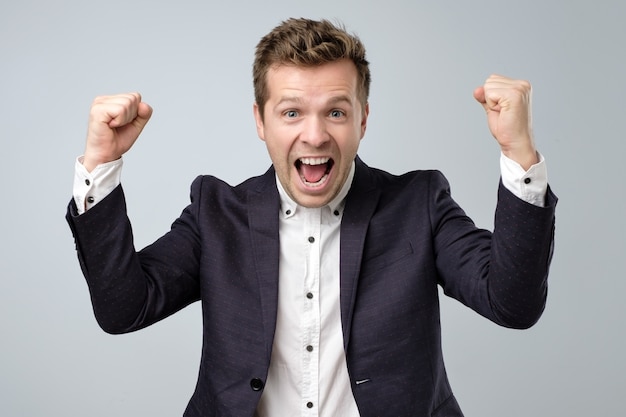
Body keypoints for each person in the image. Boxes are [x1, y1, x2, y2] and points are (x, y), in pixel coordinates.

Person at [66, 17, 557, 417]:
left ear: (364, 118)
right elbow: (122, 310)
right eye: (292, 112)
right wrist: (99, 166)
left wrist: (519, 152)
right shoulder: (215, 214)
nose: (316, 136)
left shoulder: (419, 203)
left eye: (337, 113)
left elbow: (512, 304)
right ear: (260, 121)